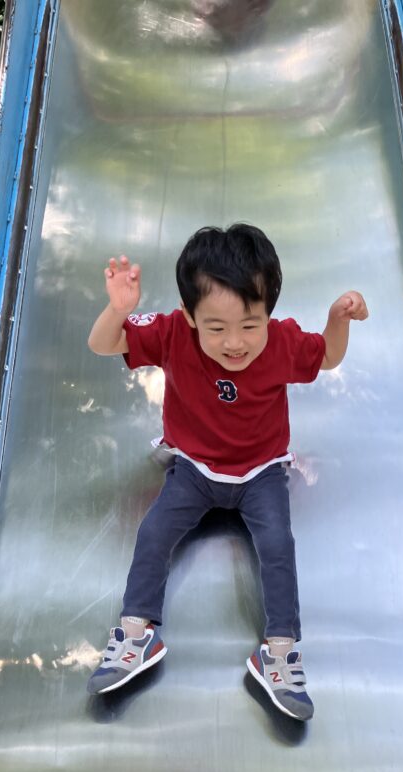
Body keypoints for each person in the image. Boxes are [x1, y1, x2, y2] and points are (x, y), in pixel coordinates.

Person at [85, 223, 368, 720]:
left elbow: (327, 356)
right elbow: (103, 345)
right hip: (194, 469)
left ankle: (278, 652)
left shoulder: (281, 341)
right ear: (190, 315)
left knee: (277, 546)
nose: (234, 342)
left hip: (262, 473)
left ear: (268, 315)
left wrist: (336, 320)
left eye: (250, 325)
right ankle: (136, 635)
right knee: (153, 532)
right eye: (216, 328)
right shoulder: (172, 333)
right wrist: (118, 310)